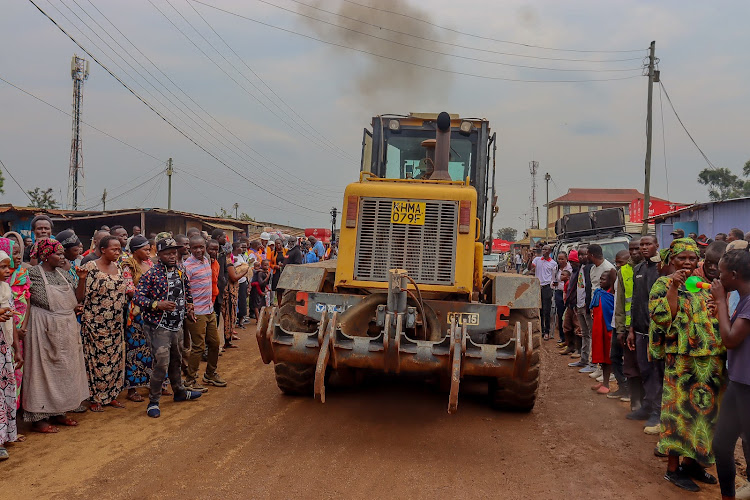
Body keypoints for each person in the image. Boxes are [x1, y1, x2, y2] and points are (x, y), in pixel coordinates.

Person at [648, 238, 725, 492]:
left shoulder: (701, 284)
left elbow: (710, 315)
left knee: (704, 415)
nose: (688, 263)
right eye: (682, 258)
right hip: (682, 361)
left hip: (710, 359)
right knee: (678, 416)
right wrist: (673, 287)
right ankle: (673, 469)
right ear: (672, 259)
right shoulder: (662, 284)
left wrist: (715, 308)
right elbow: (662, 317)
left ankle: (693, 463)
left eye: (692, 258)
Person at [23, 239, 89, 433]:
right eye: (58, 254)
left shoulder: (64, 273)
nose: (62, 257)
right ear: (45, 255)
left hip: (66, 326)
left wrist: (82, 279)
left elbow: (77, 299)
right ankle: (39, 418)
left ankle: (60, 412)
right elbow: (24, 300)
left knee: (65, 370)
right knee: (41, 372)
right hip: (42, 328)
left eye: (62, 253)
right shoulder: (32, 274)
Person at [132, 237, 201, 418]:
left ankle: (178, 391)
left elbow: (187, 291)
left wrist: (190, 309)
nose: (173, 256)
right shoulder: (151, 274)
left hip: (176, 324)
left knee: (176, 360)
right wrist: (157, 304)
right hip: (158, 326)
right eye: (168, 253)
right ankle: (153, 401)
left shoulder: (180, 270)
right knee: (161, 363)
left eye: (174, 253)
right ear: (159, 255)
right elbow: (138, 298)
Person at [711, 248, 750, 500]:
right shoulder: (743, 298)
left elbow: (730, 339)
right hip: (738, 382)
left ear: (734, 275)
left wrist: (721, 302)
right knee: (722, 445)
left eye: (722, 273)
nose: (718, 277)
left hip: (748, 386)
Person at [76, 235, 129, 412]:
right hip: (95, 324)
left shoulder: (119, 267)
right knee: (95, 361)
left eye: (119, 249)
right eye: (114, 249)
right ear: (103, 249)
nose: (117, 252)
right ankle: (96, 398)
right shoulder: (89, 267)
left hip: (115, 323)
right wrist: (82, 279)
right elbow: (80, 297)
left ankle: (111, 395)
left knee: (114, 360)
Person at [626, 235, 663, 426]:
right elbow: (635, 301)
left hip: (656, 332)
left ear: (656, 246)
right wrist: (631, 329)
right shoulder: (638, 269)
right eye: (642, 245)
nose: (644, 247)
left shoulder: (661, 269)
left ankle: (658, 411)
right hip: (639, 330)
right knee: (645, 370)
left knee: (657, 372)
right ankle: (647, 406)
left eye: (648, 244)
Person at [184, 235, 225, 391]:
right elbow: (183, 290)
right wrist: (189, 309)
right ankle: (190, 380)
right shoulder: (187, 267)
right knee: (198, 347)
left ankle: (210, 373)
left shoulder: (207, 261)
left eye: (201, 247)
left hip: (209, 310)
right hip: (196, 313)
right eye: (195, 248)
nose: (199, 250)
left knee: (214, 343)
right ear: (190, 249)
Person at [120, 235, 154, 402]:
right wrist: (151, 300)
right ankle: (132, 389)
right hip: (136, 315)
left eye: (149, 249)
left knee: (153, 349)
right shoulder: (128, 266)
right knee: (135, 351)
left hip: (152, 313)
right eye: (145, 249)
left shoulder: (149, 264)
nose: (149, 252)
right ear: (135, 251)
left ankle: (153, 383)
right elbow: (130, 290)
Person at [614, 239, 644, 406]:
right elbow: (620, 302)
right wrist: (620, 329)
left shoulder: (653, 268)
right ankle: (635, 401)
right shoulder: (623, 271)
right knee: (631, 366)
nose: (634, 252)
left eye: (637, 248)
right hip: (628, 326)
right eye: (631, 249)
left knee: (647, 367)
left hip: (647, 326)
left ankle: (648, 402)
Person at [1, 235, 30, 410]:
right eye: (14, 253)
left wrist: (22, 328)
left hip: (18, 333)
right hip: (5, 335)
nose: (18, 257)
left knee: (15, 376)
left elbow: (28, 301)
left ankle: (11, 420)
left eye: (19, 253)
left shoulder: (21, 275)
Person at [0, 250, 20, 460]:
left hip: (3, 348)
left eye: (9, 266)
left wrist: (16, 347)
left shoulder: (6, 289)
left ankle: (5, 435)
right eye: (3, 267)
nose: (8, 271)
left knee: (5, 392)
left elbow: (11, 320)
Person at [589, 266, 615, 395]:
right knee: (600, 355)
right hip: (598, 329)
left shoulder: (611, 295)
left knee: (607, 357)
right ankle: (604, 381)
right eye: (600, 279)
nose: (601, 281)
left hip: (607, 330)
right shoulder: (599, 293)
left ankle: (607, 383)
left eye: (604, 279)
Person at [571, 246, 594, 371]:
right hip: (579, 305)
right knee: (584, 333)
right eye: (579, 255)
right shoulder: (580, 268)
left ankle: (592, 362)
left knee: (591, 334)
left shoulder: (590, 269)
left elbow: (589, 288)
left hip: (586, 306)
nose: (581, 257)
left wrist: (588, 305)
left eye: (584, 254)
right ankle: (584, 360)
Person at [529, 245, 557, 341]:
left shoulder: (553, 263)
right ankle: (540, 330)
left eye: (546, 249)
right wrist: (530, 258)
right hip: (538, 287)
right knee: (539, 310)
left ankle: (547, 331)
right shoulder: (537, 260)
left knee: (546, 310)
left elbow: (554, 277)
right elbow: (531, 268)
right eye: (543, 249)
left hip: (547, 288)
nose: (544, 251)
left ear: (550, 251)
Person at [222, 242, 246, 350]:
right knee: (229, 315)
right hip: (229, 293)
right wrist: (245, 271)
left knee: (229, 315)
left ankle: (228, 338)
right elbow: (234, 277)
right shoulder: (228, 262)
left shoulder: (226, 261)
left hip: (229, 293)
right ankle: (227, 340)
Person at [561, 249, 582, 357]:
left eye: (573, 261)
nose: (571, 264)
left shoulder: (580, 271)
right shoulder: (573, 272)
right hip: (570, 304)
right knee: (567, 325)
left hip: (577, 304)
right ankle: (570, 346)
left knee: (578, 328)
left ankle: (579, 350)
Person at [553, 251, 572, 345]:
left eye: (562, 259)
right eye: (559, 259)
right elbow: (553, 280)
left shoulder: (570, 268)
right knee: (560, 315)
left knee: (569, 315)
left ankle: (570, 340)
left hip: (568, 293)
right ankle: (562, 338)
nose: (560, 261)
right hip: (559, 292)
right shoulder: (555, 268)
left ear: (566, 259)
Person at [232, 241, 249, 327]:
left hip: (242, 281)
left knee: (242, 301)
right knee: (235, 301)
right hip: (235, 282)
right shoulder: (232, 258)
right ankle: (235, 320)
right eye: (241, 247)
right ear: (236, 248)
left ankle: (241, 320)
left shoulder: (240, 256)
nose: (242, 249)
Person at [267, 238, 287, 307]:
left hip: (285, 273)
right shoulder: (273, 253)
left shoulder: (286, 251)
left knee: (285, 289)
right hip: (277, 273)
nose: (278, 245)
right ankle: (279, 305)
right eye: (276, 243)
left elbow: (288, 260)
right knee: (278, 290)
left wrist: (283, 264)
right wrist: (275, 266)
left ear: (282, 243)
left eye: (279, 243)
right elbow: (270, 263)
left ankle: (285, 304)